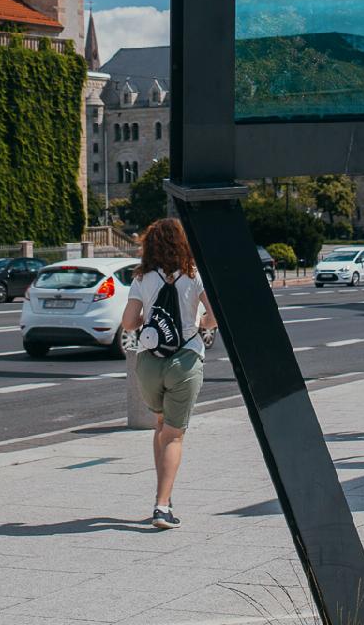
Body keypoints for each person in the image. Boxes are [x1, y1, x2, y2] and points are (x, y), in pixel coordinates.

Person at [119, 217, 216, 529]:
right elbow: (215, 316)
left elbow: (129, 323)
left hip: (148, 363)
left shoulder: (142, 278)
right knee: (174, 435)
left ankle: (164, 493)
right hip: (185, 361)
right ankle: (162, 506)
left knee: (160, 427)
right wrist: (200, 324)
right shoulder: (195, 275)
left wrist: (150, 317)